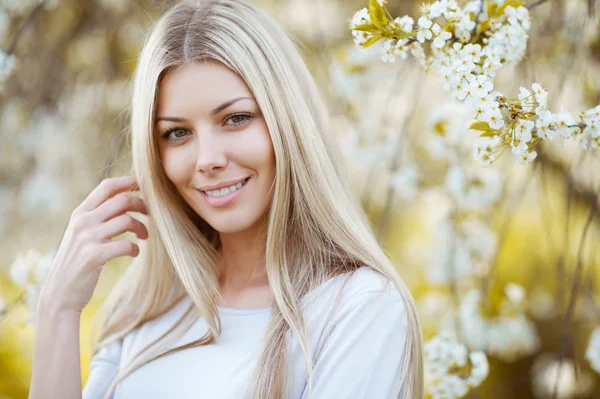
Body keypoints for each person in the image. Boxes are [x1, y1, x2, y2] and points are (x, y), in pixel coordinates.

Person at [28, 0, 424, 398]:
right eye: (177, 133)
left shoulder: (359, 307)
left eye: (236, 119)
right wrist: (58, 309)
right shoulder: (143, 308)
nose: (208, 160)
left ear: (289, 123)